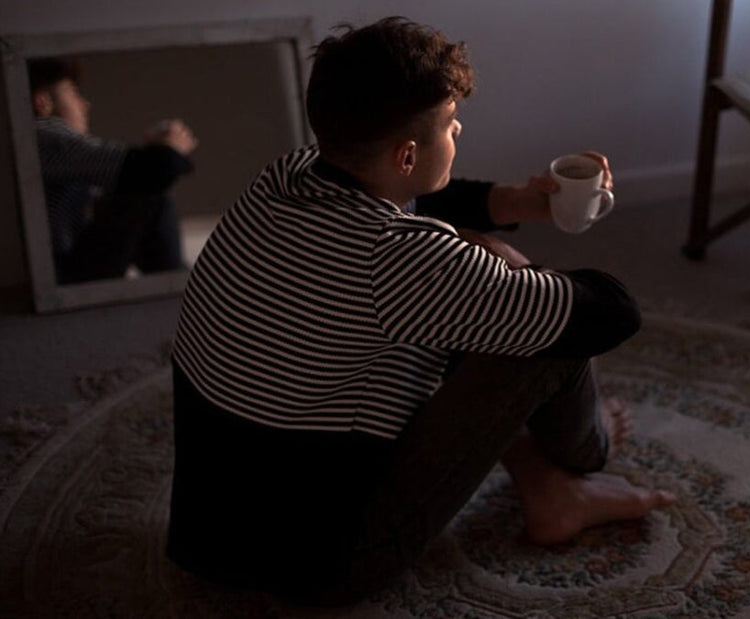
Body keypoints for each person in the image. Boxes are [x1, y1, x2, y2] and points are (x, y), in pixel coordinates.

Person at [166, 17, 674, 605]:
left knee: (465, 312)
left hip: (211, 540)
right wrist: (509, 267)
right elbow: (614, 313)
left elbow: (413, 193)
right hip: (322, 567)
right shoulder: (398, 259)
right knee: (533, 335)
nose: (458, 131)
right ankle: (585, 457)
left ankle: (546, 490)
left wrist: (512, 204)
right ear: (408, 153)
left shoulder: (282, 177)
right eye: (452, 125)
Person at [28, 57, 198, 283]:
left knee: (145, 185)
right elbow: (155, 170)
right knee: (152, 192)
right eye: (73, 93)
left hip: (62, 268)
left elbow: (136, 176)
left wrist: (158, 154)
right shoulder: (45, 135)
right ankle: (184, 290)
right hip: (62, 272)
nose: (84, 105)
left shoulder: (49, 153)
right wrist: (169, 148)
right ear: (43, 103)